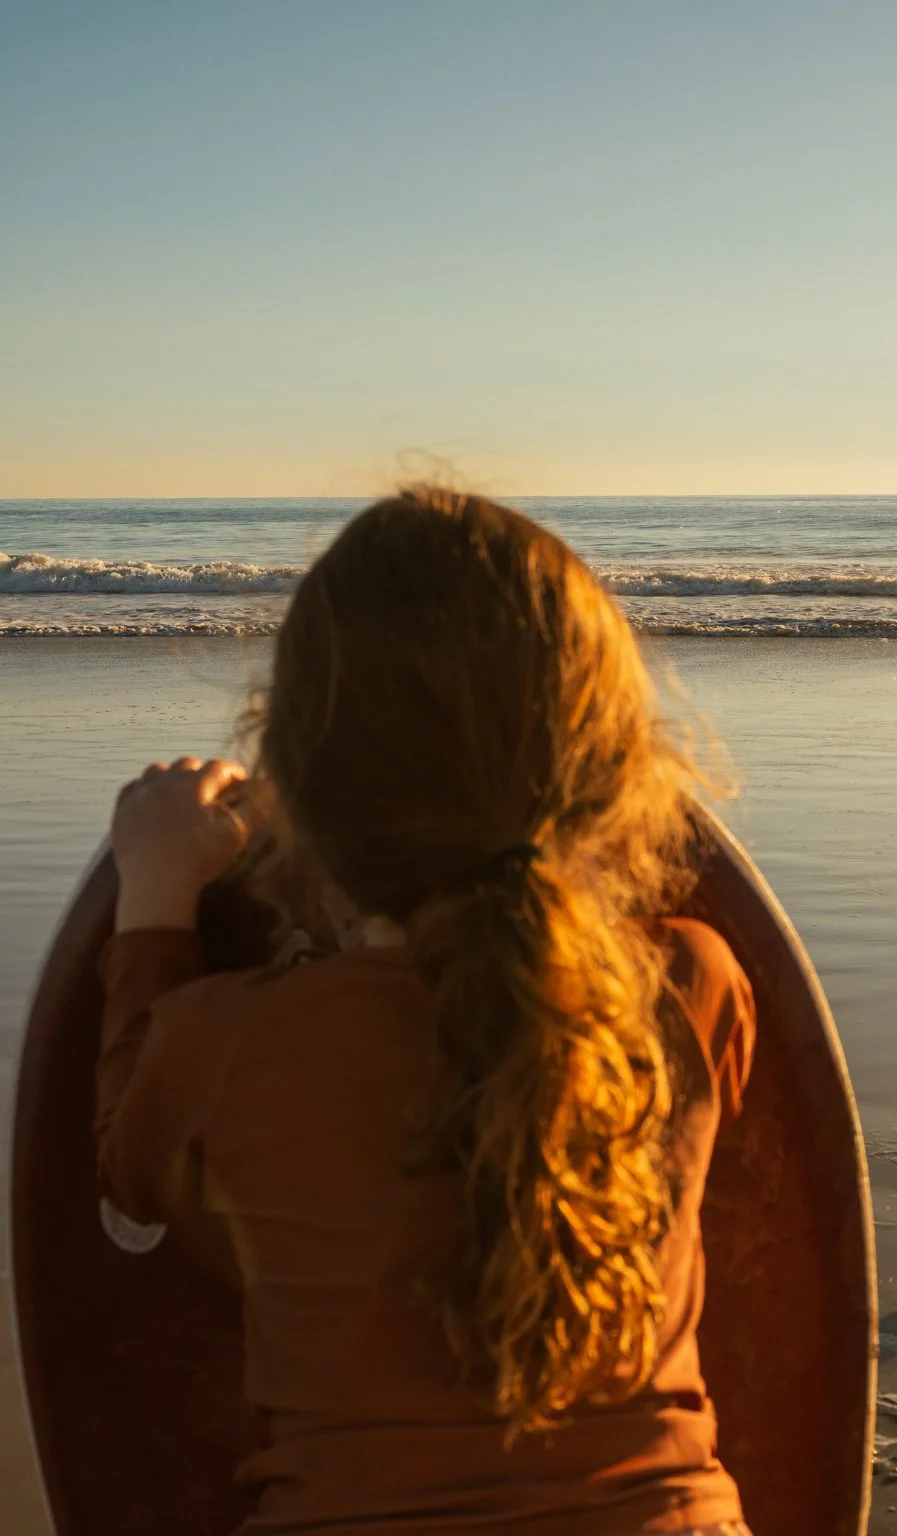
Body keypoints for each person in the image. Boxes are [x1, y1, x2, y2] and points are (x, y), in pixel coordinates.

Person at [98, 488, 756, 1534]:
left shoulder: (220, 1044)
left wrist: (153, 901)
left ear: (300, 786)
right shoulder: (692, 987)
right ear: (610, 777)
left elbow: (129, 1174)